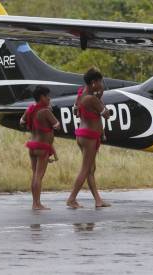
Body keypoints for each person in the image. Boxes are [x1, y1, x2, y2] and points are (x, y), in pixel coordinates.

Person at [67, 67, 111, 209]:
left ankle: (98, 200)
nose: (101, 84)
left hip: (82, 134)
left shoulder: (81, 94)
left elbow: (75, 111)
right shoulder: (92, 98)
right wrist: (101, 97)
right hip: (89, 136)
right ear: (94, 82)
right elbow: (106, 114)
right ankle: (71, 199)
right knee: (86, 169)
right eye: (100, 82)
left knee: (91, 169)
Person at [20, 86, 60, 210]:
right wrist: (50, 115)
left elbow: (21, 121)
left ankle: (35, 203)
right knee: (39, 176)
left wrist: (30, 125)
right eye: (48, 96)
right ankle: (37, 204)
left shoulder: (30, 109)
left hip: (32, 146)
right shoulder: (45, 111)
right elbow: (57, 126)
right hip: (42, 147)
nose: (49, 98)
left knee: (35, 175)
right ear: (42, 97)